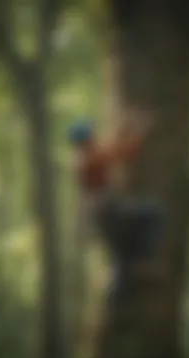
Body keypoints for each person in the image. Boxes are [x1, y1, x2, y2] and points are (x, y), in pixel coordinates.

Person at [67, 111, 165, 301]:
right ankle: (145, 261)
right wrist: (142, 130)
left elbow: (111, 145)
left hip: (100, 214)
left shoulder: (81, 157)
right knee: (154, 213)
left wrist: (124, 127)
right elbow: (126, 151)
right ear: (86, 139)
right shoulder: (92, 157)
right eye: (91, 133)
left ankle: (118, 302)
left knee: (121, 255)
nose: (95, 135)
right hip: (110, 210)